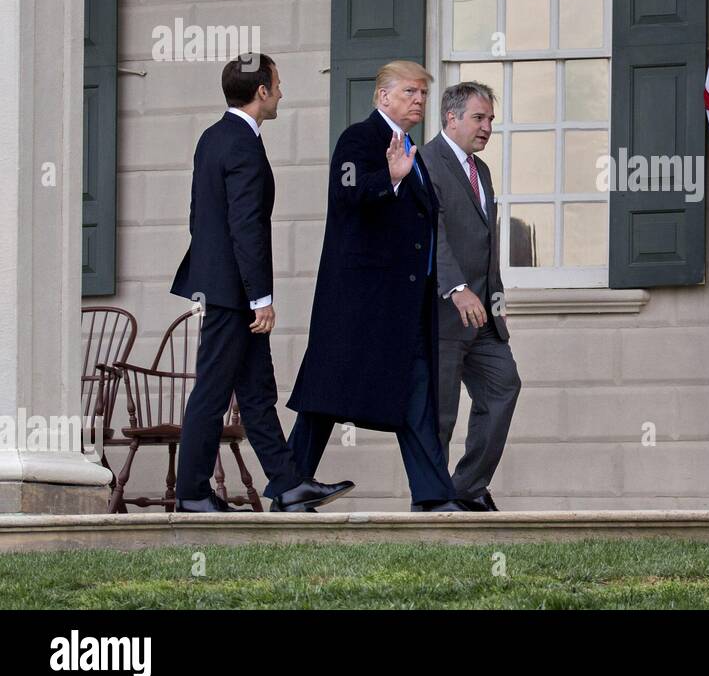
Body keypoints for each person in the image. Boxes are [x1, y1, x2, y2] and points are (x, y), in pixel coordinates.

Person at [171, 53, 354, 513]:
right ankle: (192, 493)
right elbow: (246, 226)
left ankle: (289, 484)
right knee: (212, 392)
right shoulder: (243, 145)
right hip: (235, 295)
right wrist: (261, 299)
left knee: (256, 391)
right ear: (262, 92)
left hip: (220, 286)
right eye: (278, 84)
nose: (282, 93)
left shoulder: (213, 137)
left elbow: (199, 218)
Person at [286, 60, 469, 512]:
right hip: (360, 300)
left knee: (415, 389)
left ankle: (432, 495)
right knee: (325, 394)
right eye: (410, 92)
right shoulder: (360, 138)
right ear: (383, 96)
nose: (419, 101)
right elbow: (348, 192)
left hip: (405, 301)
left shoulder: (411, 150)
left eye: (423, 94)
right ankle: (289, 486)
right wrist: (389, 177)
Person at [420, 82, 521, 512]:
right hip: (444, 311)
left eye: (491, 120)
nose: (487, 127)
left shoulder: (482, 171)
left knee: (503, 388)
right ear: (451, 117)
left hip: (484, 316)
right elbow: (431, 234)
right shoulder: (425, 162)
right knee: (440, 415)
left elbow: (483, 240)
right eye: (479, 118)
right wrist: (457, 289)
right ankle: (430, 501)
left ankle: (467, 487)